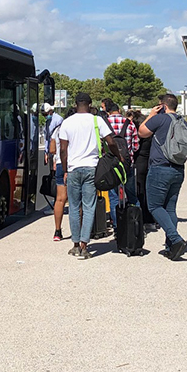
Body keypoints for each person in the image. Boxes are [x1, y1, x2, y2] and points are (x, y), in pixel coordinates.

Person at [57, 93, 120, 260]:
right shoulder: (96, 120)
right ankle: (85, 245)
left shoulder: (67, 122)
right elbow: (111, 141)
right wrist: (117, 155)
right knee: (89, 206)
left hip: (73, 169)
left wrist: (65, 170)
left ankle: (75, 244)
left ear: (75, 104)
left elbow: (63, 150)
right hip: (92, 168)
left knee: (74, 208)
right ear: (90, 104)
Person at [139, 93, 187, 260]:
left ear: (163, 106)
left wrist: (151, 115)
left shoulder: (160, 119)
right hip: (178, 169)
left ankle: (175, 240)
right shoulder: (184, 123)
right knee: (170, 208)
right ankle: (171, 248)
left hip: (160, 168)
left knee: (154, 206)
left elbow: (142, 132)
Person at [101, 98, 138, 228]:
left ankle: (117, 227)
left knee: (113, 197)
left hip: (111, 165)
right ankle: (135, 224)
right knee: (132, 196)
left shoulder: (104, 123)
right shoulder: (129, 123)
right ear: (119, 110)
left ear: (108, 111)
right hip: (127, 164)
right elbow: (136, 146)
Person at [132, 109, 155, 231]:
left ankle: (142, 217)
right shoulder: (151, 134)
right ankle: (151, 218)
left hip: (139, 163)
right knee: (149, 191)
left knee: (139, 192)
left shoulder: (138, 135)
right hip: (150, 162)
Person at [48, 122, 67, 241]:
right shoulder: (77, 126)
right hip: (75, 164)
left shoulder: (57, 129)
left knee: (60, 199)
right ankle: (80, 230)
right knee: (78, 199)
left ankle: (57, 231)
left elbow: (52, 149)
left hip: (60, 164)